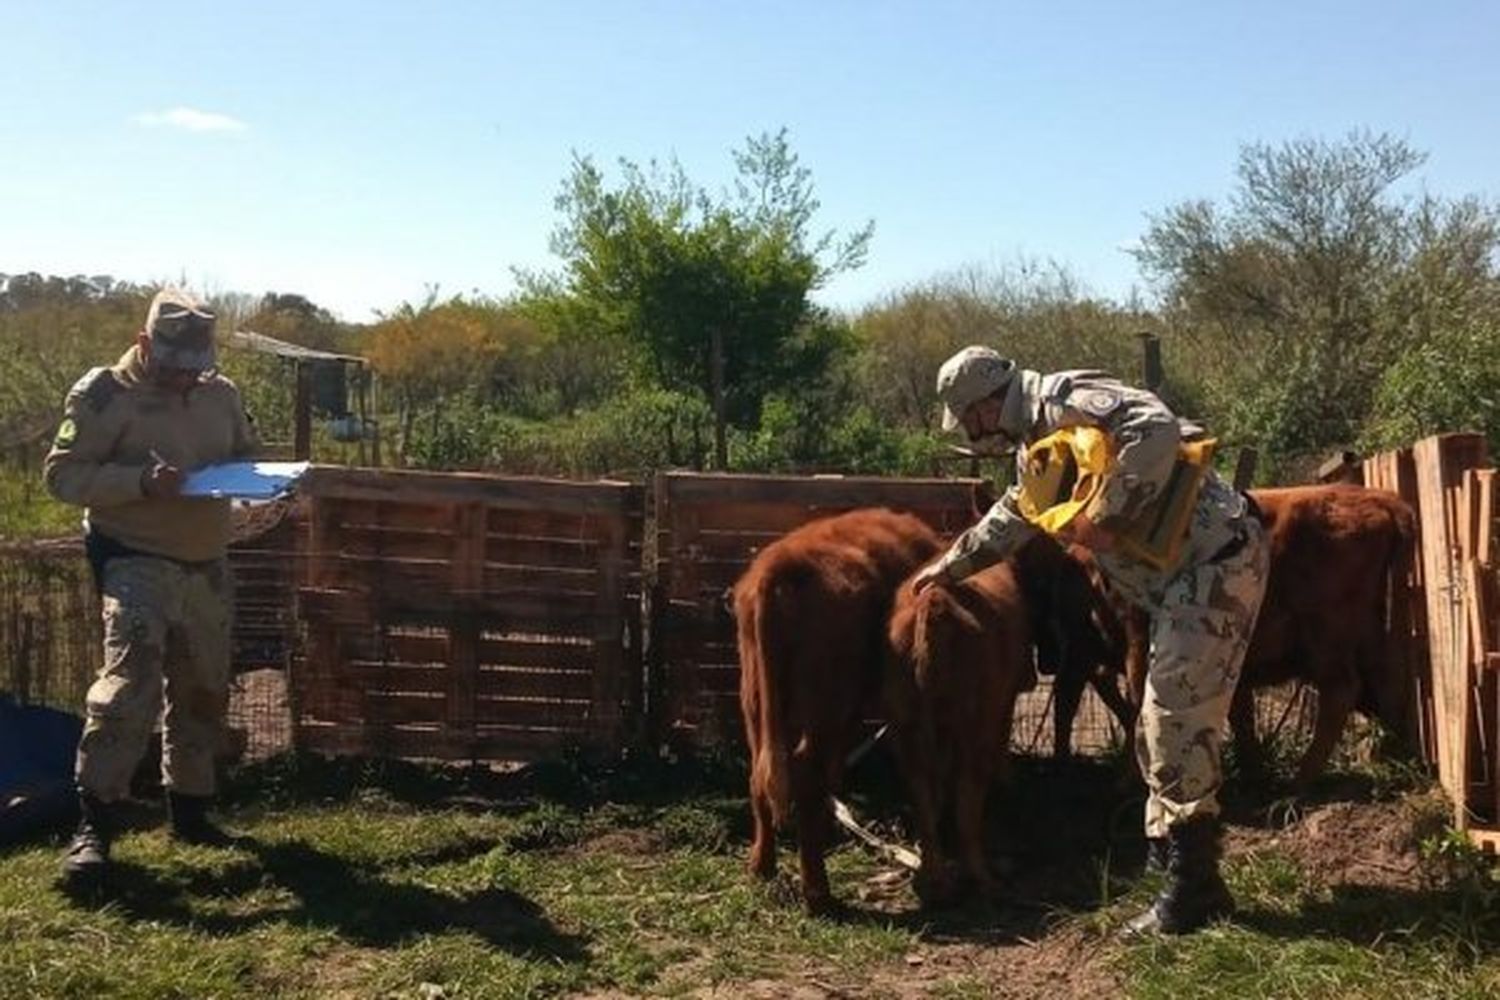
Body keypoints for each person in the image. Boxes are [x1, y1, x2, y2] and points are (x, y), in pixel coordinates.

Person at [911, 345, 1268, 935]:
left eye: (967, 418)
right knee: (1157, 726)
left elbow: (1153, 425)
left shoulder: (1063, 400)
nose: (971, 434)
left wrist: (1107, 511)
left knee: (1173, 718)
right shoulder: (1036, 444)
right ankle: (1173, 869)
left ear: (985, 404)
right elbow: (1016, 514)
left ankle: (1194, 891)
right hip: (1179, 580)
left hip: (1215, 564)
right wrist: (950, 567)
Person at [44, 288, 257, 889]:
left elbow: (245, 451)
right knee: (127, 689)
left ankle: (190, 811)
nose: (185, 378)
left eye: (196, 367)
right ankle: (95, 828)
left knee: (203, 688)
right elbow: (63, 476)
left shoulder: (222, 393)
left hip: (207, 560)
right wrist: (140, 480)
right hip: (135, 556)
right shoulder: (105, 395)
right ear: (144, 345)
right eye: (173, 365)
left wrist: (259, 481)